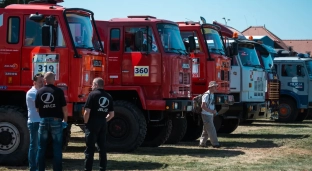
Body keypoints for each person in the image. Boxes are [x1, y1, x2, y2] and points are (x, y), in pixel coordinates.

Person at [35, 72, 68, 171]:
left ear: (44, 80)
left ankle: (40, 169)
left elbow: (37, 109)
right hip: (56, 121)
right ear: (54, 80)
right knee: (57, 148)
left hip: (43, 121)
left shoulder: (39, 91)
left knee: (41, 148)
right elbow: (64, 108)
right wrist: (65, 120)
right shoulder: (59, 91)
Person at [83, 77, 114, 171]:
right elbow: (112, 114)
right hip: (102, 123)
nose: (91, 86)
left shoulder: (92, 95)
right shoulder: (108, 96)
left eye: (92, 84)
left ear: (96, 85)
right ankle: (102, 168)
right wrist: (104, 120)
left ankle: (88, 169)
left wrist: (86, 122)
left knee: (90, 149)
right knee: (102, 148)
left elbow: (87, 112)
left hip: (92, 123)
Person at [26, 73, 44, 171]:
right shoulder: (32, 93)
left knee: (39, 146)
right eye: (40, 82)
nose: (42, 84)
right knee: (34, 146)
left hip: (40, 121)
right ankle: (33, 167)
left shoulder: (41, 92)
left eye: (43, 81)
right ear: (34, 82)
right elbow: (42, 105)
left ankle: (37, 166)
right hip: (34, 122)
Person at [199, 81, 221, 148]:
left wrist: (213, 111)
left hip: (209, 114)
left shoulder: (212, 94)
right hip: (206, 114)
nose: (216, 88)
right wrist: (211, 111)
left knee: (206, 129)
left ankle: (202, 143)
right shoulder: (206, 95)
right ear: (210, 87)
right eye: (215, 86)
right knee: (211, 129)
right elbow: (203, 106)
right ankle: (215, 143)